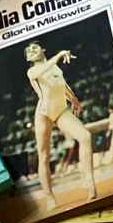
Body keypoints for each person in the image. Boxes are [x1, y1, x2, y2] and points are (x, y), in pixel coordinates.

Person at [25, 43, 96, 207]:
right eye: (29, 51)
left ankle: (89, 183)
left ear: (43, 50)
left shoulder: (55, 68)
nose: (32, 51)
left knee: (85, 137)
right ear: (28, 58)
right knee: (44, 156)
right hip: (44, 113)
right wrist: (59, 54)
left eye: (35, 48)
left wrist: (74, 99)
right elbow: (44, 69)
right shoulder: (32, 71)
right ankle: (49, 196)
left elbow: (63, 85)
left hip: (61, 110)